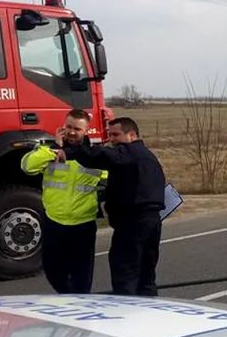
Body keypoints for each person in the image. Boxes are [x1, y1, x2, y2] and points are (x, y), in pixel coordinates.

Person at [62, 117, 166, 296]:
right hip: (152, 221)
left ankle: (124, 314)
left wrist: (74, 146)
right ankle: (149, 311)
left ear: (132, 135)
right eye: (109, 135)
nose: (111, 139)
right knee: (146, 274)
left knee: (125, 272)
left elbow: (96, 157)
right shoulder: (147, 156)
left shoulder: (128, 152)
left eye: (116, 134)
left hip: (132, 222)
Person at [20, 109, 106, 294]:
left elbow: (113, 175)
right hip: (54, 222)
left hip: (82, 225)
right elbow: (27, 166)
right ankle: (69, 297)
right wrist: (54, 150)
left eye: (77, 128)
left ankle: (79, 308)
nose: (72, 132)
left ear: (86, 131)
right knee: (52, 272)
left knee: (81, 278)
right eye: (69, 127)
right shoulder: (48, 149)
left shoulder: (94, 155)